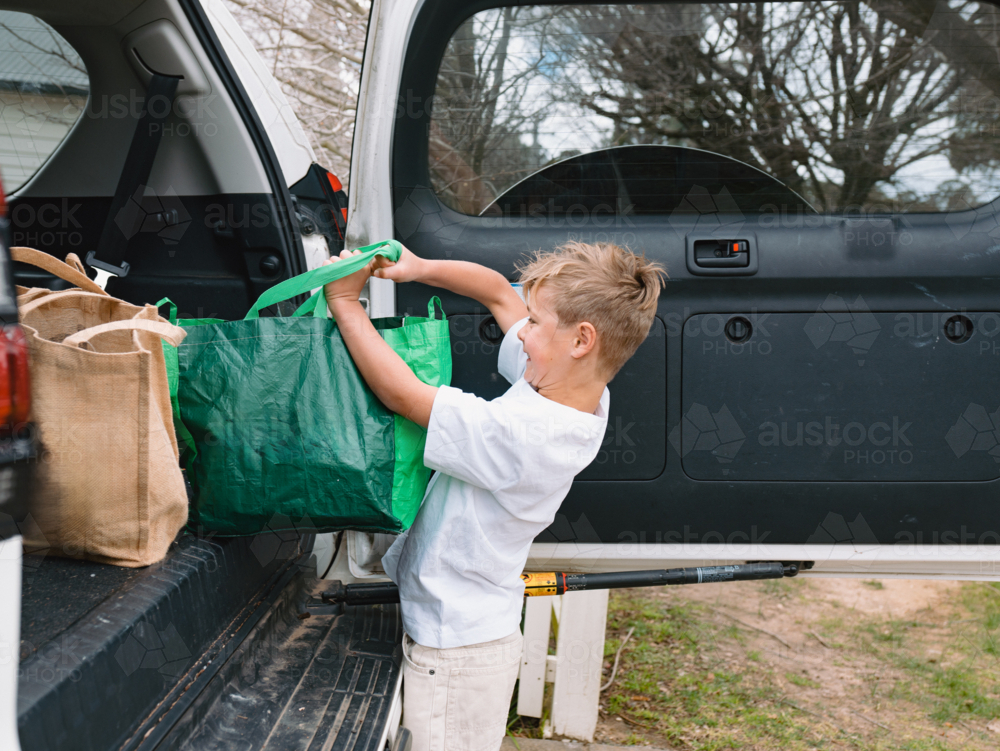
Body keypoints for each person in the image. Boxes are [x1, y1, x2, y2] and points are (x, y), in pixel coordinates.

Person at [324, 241, 665, 751]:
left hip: (458, 653)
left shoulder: (527, 437)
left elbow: (403, 394)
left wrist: (345, 305)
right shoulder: (572, 388)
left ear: (581, 340)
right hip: (460, 630)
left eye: (534, 323)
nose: (520, 332)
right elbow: (498, 294)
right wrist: (419, 267)